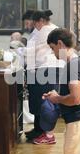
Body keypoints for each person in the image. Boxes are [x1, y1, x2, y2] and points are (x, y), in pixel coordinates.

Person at [25, 10, 63, 144]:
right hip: (47, 68)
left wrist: (20, 51)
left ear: (41, 21)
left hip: (46, 68)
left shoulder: (47, 29)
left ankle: (46, 133)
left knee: (43, 101)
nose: (35, 27)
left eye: (36, 24)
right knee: (40, 100)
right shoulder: (51, 29)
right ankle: (39, 129)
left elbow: (32, 50)